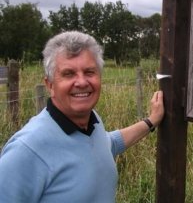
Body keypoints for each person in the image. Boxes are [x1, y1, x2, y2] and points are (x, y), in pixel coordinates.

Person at [0, 31, 165, 202]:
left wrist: (152, 120)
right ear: (50, 85)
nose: (81, 82)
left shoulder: (92, 120)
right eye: (68, 74)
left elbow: (109, 144)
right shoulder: (26, 150)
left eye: (89, 72)